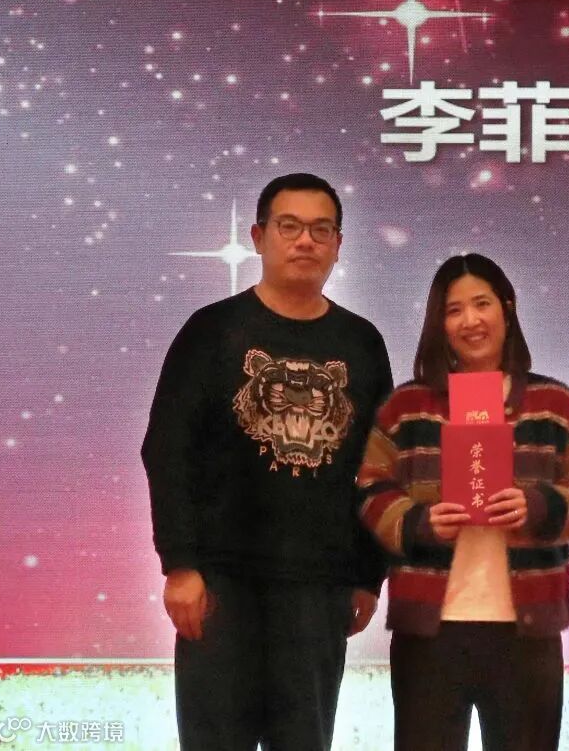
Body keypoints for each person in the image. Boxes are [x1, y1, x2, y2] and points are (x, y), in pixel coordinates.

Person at [140, 173, 393, 750]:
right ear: (258, 237)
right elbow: (167, 450)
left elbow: (379, 468)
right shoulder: (212, 331)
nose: (305, 241)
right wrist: (180, 565)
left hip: (318, 588)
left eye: (321, 230)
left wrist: (367, 574)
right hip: (220, 585)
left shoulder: (362, 343)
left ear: (338, 245)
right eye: (290, 226)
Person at [358, 253, 569, 751]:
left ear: (507, 308)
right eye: (454, 310)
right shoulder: (407, 406)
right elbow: (370, 488)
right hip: (429, 632)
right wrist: (418, 522)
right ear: (439, 323)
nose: (470, 320)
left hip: (527, 630)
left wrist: (539, 507)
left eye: (482, 304)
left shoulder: (554, 404)